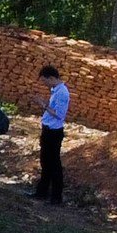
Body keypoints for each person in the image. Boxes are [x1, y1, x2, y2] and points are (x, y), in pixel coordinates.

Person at [33, 65, 70, 204]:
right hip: (47, 128)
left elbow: (59, 114)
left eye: (45, 81)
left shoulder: (62, 93)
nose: (44, 84)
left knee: (54, 164)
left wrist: (43, 105)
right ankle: (42, 192)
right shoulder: (55, 90)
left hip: (54, 132)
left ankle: (56, 197)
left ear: (52, 78)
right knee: (45, 162)